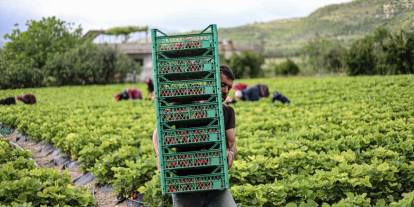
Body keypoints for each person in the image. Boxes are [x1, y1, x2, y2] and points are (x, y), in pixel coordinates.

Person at [152, 65, 237, 207]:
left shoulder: (227, 111)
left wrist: (231, 153)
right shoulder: (186, 107)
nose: (225, 91)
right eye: (222, 85)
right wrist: (159, 156)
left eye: (229, 87)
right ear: (210, 81)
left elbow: (233, 143)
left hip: (216, 183)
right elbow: (157, 133)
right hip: (185, 184)